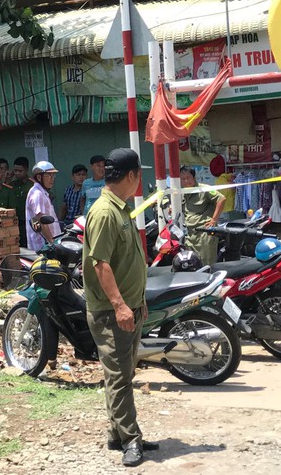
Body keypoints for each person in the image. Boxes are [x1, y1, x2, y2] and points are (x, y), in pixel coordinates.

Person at [82, 147, 158, 467]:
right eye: (139, 174)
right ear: (130, 176)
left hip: (128, 307)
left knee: (122, 373)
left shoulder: (120, 208)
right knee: (120, 378)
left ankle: (118, 432)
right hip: (112, 312)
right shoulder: (104, 212)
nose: (140, 180)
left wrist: (136, 303)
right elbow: (100, 264)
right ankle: (130, 439)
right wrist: (120, 306)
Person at [179, 166, 227, 265]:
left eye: (188, 178)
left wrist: (214, 220)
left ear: (194, 177)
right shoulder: (183, 192)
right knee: (191, 263)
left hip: (204, 233)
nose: (186, 181)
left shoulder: (203, 189)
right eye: (183, 179)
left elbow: (222, 199)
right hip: (190, 234)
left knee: (206, 264)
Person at [25, 161, 61, 251]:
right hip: (44, 247)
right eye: (49, 175)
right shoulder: (38, 194)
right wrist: (52, 244)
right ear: (39, 177)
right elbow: (42, 221)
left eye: (53, 175)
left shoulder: (41, 192)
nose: (52, 179)